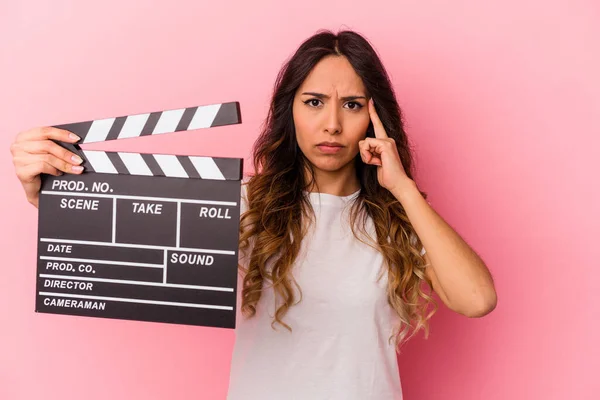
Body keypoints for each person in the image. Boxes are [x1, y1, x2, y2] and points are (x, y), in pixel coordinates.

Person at [11, 29, 497, 399]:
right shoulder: (244, 205)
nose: (331, 124)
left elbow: (476, 298)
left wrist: (403, 188)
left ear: (376, 116)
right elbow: (123, 231)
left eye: (351, 105)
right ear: (291, 112)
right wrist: (46, 189)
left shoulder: (399, 218)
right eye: (314, 102)